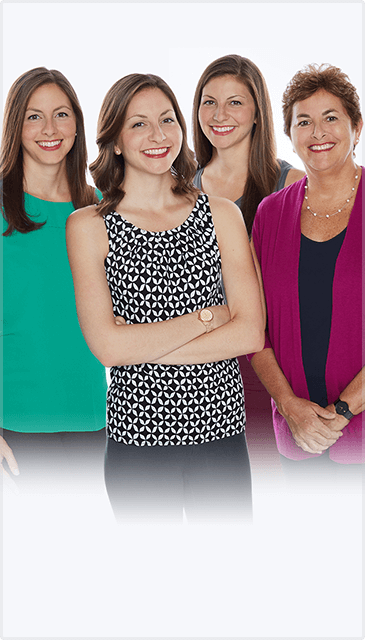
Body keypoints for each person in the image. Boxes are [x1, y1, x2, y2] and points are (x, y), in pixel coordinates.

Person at [66, 73, 265, 523]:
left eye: (167, 120)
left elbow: (250, 332)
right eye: (138, 124)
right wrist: (206, 320)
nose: (158, 136)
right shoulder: (88, 226)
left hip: (222, 435)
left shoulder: (221, 214)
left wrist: (142, 349)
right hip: (136, 440)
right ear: (115, 140)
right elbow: (108, 349)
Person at [249, 63, 363, 478]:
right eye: (304, 121)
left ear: (357, 126)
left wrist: (345, 409)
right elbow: (254, 326)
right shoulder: (270, 213)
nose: (318, 133)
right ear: (290, 135)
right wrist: (290, 407)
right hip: (297, 434)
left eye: (331, 118)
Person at [192, 54, 305, 464]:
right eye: (209, 101)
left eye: (235, 102)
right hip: (199, 370)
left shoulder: (290, 185)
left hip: (271, 368)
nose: (219, 114)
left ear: (258, 112)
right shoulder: (180, 190)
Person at [1, 68, 107, 492]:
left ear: (77, 125)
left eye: (61, 114)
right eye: (33, 116)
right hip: (15, 427)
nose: (50, 129)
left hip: (98, 423)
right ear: (15, 126)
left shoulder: (101, 209)